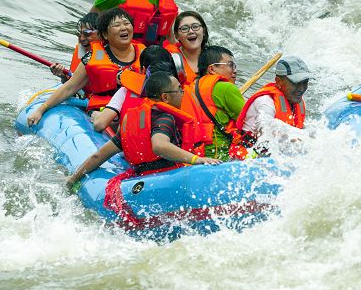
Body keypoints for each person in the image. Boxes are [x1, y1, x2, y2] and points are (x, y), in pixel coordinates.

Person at [66, 72, 220, 188]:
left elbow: (97, 156)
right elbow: (159, 146)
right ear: (165, 97)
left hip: (139, 180)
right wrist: (196, 159)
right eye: (179, 90)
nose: (182, 93)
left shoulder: (131, 120)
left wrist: (72, 180)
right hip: (165, 180)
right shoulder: (165, 118)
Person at [27, 9, 146, 126]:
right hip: (102, 110)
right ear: (105, 34)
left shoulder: (146, 54)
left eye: (126, 23)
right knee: (112, 119)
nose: (123, 28)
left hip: (134, 109)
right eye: (117, 25)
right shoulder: (91, 58)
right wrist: (41, 110)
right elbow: (69, 88)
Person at [232, 56, 313, 158]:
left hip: (273, 155)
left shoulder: (296, 101)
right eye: (296, 83)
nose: (301, 88)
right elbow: (265, 127)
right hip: (247, 157)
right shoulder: (266, 101)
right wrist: (301, 135)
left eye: (305, 82)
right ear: (278, 81)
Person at [180, 46, 246, 161]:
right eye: (230, 65)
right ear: (211, 69)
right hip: (220, 159)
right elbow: (249, 122)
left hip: (193, 158)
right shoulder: (226, 88)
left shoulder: (189, 89)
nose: (234, 70)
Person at [92, 45, 172, 133]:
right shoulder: (178, 92)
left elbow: (99, 125)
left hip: (129, 144)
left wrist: (98, 116)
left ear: (142, 70)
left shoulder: (125, 91)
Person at [50, 12, 100, 83]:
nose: (81, 38)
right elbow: (70, 82)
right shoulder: (82, 50)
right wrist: (62, 75)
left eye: (87, 34)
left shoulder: (103, 55)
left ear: (102, 34)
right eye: (79, 34)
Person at [163, 11, 209, 86]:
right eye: (184, 28)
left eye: (195, 26)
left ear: (203, 31)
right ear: (177, 36)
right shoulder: (169, 57)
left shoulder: (216, 58)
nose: (191, 31)